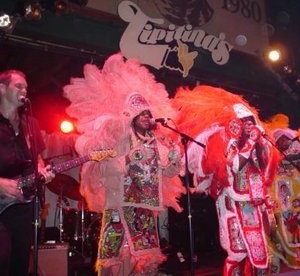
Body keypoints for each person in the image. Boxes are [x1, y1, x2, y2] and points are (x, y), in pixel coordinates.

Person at [63, 54, 185, 275]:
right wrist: (125, 151)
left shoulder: (157, 144)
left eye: (150, 114)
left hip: (144, 209)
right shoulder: (119, 138)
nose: (148, 118)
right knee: (113, 258)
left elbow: (168, 171)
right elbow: (106, 161)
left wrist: (175, 156)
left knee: (145, 260)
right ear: (132, 117)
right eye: (143, 115)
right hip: (120, 205)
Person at [172, 85, 280, 275]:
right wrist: (250, 142)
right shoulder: (229, 145)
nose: (248, 124)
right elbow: (235, 165)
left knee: (260, 253)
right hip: (232, 204)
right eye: (244, 121)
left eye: (250, 121)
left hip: (255, 206)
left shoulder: (262, 145)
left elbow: (266, 171)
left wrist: (266, 202)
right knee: (237, 252)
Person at [0, 69, 55, 276]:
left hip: (23, 207)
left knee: (20, 263)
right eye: (18, 86)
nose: (24, 91)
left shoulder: (30, 125)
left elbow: (37, 159)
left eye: (26, 87)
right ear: (2, 88)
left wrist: (42, 170)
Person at [266, 122, 300, 269]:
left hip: (295, 202)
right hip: (279, 204)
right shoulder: (271, 157)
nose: (285, 141)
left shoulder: (295, 154)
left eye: (288, 139)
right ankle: (280, 262)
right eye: (281, 139)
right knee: (280, 233)